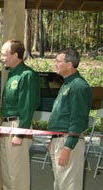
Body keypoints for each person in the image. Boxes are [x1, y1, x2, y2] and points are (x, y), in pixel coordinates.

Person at [0, 40, 40, 190]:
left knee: (17, 173)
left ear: (16, 55)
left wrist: (20, 133)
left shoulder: (27, 75)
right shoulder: (11, 74)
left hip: (17, 126)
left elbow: (27, 107)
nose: (1, 57)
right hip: (6, 125)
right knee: (7, 171)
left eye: (4, 54)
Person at [48, 48, 91, 190]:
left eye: (58, 61)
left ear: (70, 64)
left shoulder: (78, 86)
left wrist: (68, 147)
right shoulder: (67, 84)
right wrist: (52, 140)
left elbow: (78, 119)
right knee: (60, 184)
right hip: (58, 140)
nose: (55, 64)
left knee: (69, 185)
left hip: (68, 141)